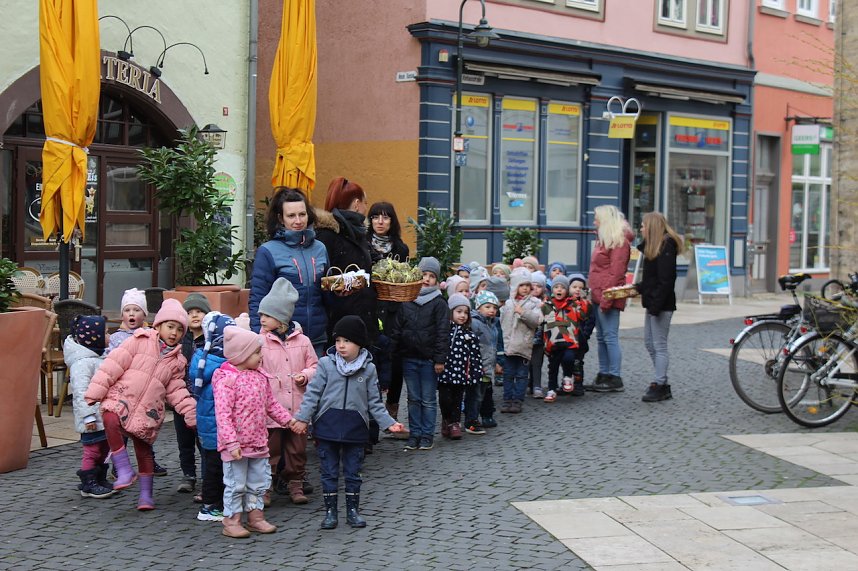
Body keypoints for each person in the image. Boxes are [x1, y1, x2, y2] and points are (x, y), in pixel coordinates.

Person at [292, 316, 405, 529]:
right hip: (327, 426)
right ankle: (330, 511)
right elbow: (312, 395)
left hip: (356, 427)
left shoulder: (369, 369)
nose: (341, 345)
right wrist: (302, 418)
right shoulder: (326, 364)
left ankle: (353, 510)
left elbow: (374, 403)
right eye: (338, 340)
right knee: (329, 472)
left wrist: (389, 423)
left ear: (359, 343)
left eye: (347, 341)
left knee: (353, 472)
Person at [84, 299, 197, 511]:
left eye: (180, 330)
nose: (174, 333)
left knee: (144, 451)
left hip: (149, 409)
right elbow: (113, 364)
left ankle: (146, 495)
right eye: (170, 326)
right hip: (123, 398)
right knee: (109, 416)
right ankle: (123, 468)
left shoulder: (178, 361)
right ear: (159, 326)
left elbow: (177, 391)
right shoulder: (139, 339)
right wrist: (95, 391)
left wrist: (191, 413)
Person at [214, 326, 296, 538]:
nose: (261, 356)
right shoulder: (227, 379)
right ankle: (231, 520)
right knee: (236, 484)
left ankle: (255, 516)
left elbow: (271, 404)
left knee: (258, 482)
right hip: (236, 446)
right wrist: (231, 443)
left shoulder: (260, 377)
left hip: (258, 441)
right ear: (241, 355)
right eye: (256, 352)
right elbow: (223, 415)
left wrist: (288, 421)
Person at [257, 278, 318, 505]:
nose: (261, 318)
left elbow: (315, 366)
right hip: (270, 411)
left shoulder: (303, 341)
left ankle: (296, 484)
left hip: (297, 409)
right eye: (261, 314)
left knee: (296, 451)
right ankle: (266, 487)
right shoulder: (259, 341)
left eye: (267, 315)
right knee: (269, 451)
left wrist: (305, 375)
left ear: (282, 318)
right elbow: (255, 369)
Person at [250, 187, 329, 356]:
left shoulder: (320, 248)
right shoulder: (268, 251)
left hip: (317, 339)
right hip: (281, 340)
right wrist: (260, 338)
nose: (298, 220)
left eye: (302, 214)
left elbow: (326, 294)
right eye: (291, 216)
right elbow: (258, 298)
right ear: (280, 218)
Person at [389, 257, 450, 451]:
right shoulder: (407, 299)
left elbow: (442, 332)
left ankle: (427, 434)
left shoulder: (439, 303)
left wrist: (440, 359)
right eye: (424, 274)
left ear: (436, 280)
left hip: (429, 360)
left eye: (431, 276)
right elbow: (398, 327)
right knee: (413, 398)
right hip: (409, 357)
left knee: (428, 399)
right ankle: (415, 434)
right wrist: (394, 351)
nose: (427, 279)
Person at [105, 288, 167, 477]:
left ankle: (149, 461)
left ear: (144, 314)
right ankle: (118, 465)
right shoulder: (116, 339)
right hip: (124, 391)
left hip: (145, 392)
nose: (132, 314)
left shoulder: (152, 336)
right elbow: (110, 361)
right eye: (127, 310)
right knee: (121, 430)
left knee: (144, 429)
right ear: (122, 314)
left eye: (137, 310)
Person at [315, 177, 378, 345]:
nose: (366, 207)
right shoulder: (327, 235)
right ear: (357, 204)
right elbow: (319, 278)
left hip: (361, 319)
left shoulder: (358, 234)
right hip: (339, 326)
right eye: (366, 202)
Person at [366, 201, 409, 427]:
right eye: (375, 217)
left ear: (392, 221)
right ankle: (373, 413)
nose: (380, 222)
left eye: (385, 217)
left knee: (395, 361)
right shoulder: (362, 244)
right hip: (370, 307)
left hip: (394, 310)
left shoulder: (400, 249)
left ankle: (392, 409)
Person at [634, 212, 683, 403]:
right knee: (649, 342)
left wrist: (655, 305)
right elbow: (652, 279)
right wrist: (637, 288)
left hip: (661, 304)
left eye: (643, 226)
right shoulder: (653, 247)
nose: (641, 229)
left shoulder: (666, 246)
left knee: (659, 345)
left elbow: (666, 281)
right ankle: (660, 380)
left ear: (652, 227)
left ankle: (660, 383)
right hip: (653, 302)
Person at [193, 312, 236, 522]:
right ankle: (210, 505)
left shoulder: (203, 358)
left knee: (216, 464)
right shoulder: (223, 362)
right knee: (215, 466)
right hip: (214, 423)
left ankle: (217, 502)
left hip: (212, 423)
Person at [66, 315, 115, 499]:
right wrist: (88, 417)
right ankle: (88, 482)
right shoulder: (82, 363)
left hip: (102, 415)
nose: (109, 335)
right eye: (106, 332)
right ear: (95, 337)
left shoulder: (99, 357)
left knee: (104, 448)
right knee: (92, 449)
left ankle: (100, 478)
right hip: (92, 418)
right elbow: (80, 393)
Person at [588, 205, 633, 393]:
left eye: (597, 218)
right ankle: (604, 373)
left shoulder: (619, 242)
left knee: (610, 336)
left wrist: (606, 300)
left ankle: (615, 376)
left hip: (608, 296)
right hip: (598, 295)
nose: (594, 222)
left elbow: (616, 274)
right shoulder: (604, 240)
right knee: (601, 337)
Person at [177, 293, 210, 496]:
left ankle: (208, 477)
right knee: (184, 441)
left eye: (199, 311)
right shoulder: (181, 340)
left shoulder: (211, 340)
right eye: (190, 312)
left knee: (203, 441)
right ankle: (188, 474)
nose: (195, 315)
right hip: (182, 398)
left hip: (202, 399)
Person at [541, 274, 593, 402]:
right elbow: (539, 321)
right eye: (556, 287)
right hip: (553, 342)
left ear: (567, 290)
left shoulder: (573, 305)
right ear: (552, 289)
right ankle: (552, 389)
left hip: (569, 341)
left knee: (569, 358)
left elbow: (584, 314)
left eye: (562, 288)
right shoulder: (546, 305)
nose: (559, 290)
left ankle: (568, 377)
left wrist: (584, 299)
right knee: (553, 367)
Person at [438, 294, 482, 440]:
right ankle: (446, 419)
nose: (462, 315)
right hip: (445, 373)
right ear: (450, 312)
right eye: (459, 311)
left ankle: (455, 423)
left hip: (461, 374)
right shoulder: (444, 332)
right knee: (445, 399)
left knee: (457, 400)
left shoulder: (469, 335)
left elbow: (475, 355)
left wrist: (475, 372)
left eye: (465, 312)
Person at [499, 270, 542, 413]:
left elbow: (537, 321)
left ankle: (518, 400)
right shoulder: (508, 303)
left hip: (523, 345)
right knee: (508, 374)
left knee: (522, 375)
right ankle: (507, 399)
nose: (524, 288)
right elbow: (503, 324)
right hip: (509, 346)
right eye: (521, 285)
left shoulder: (534, 303)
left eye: (527, 285)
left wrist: (523, 313)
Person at [465, 290, 501, 435]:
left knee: (481, 394)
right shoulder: (475, 323)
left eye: (494, 308)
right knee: (474, 395)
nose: (491, 310)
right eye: (487, 307)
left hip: (488, 366)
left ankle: (476, 418)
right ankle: (471, 421)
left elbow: (494, 347)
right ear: (478, 307)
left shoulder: (492, 325)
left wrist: (496, 363)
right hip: (477, 367)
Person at [529, 271, 547, 399]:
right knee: (526, 363)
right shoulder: (525, 301)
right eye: (532, 285)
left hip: (540, 339)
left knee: (537, 363)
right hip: (526, 338)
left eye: (539, 286)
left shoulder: (546, 302)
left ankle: (537, 386)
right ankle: (528, 383)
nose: (535, 288)